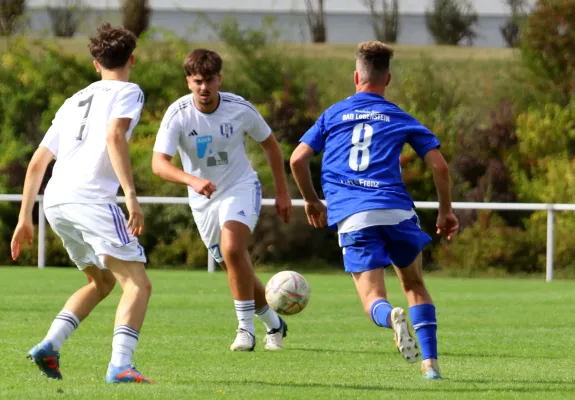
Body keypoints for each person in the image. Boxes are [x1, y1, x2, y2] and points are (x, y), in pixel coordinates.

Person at [289, 41, 459, 380]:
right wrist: (445, 211)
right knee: (414, 285)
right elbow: (439, 167)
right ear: (388, 79)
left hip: (354, 215)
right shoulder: (400, 116)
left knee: (373, 299)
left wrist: (311, 200)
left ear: (356, 77)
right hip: (397, 211)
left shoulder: (333, 114)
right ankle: (430, 367)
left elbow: (297, 158)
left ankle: (390, 316)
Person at [10, 23, 154, 384]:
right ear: (131, 60)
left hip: (56, 201)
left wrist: (24, 217)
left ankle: (49, 344)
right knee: (138, 284)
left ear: (95, 64)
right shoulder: (129, 91)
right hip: (91, 198)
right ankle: (121, 365)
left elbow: (38, 161)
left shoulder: (73, 100)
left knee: (102, 281)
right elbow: (114, 135)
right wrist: (131, 196)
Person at [152, 49, 292, 352]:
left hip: (240, 187)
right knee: (234, 265)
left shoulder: (239, 108)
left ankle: (245, 330)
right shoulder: (178, 114)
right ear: (189, 81)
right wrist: (192, 180)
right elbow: (159, 164)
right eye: (198, 81)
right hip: (202, 199)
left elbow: (270, 145)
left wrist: (282, 192)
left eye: (210, 80)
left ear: (220, 79)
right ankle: (274, 323)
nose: (204, 88)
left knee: (232, 248)